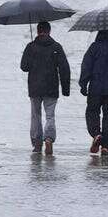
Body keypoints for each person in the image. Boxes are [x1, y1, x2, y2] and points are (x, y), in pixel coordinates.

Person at [19, 20, 70, 155]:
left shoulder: (31, 47)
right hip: (51, 87)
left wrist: (32, 57)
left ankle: (37, 142)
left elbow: (24, 67)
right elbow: (64, 68)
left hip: (35, 87)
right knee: (50, 115)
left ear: (37, 31)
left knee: (35, 115)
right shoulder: (56, 47)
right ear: (49, 31)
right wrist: (65, 89)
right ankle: (48, 138)